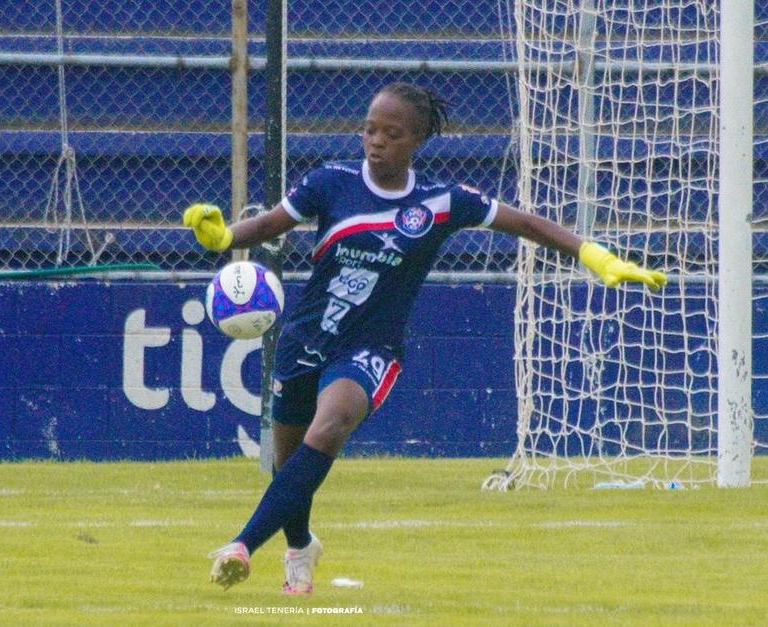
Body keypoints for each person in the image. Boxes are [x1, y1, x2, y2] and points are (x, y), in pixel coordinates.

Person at [183, 82, 666, 594]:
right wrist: (225, 237)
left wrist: (595, 256)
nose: (376, 141)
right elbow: (270, 224)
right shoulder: (330, 181)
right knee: (288, 468)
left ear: (416, 140)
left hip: (369, 349)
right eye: (370, 129)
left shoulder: (439, 202)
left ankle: (240, 545)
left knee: (328, 429)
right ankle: (300, 547)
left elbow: (524, 223)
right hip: (305, 338)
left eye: (392, 134)